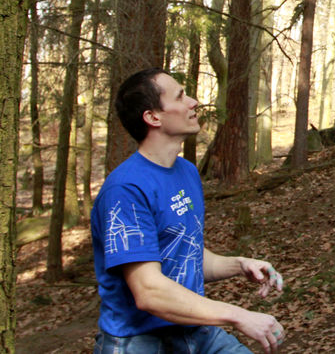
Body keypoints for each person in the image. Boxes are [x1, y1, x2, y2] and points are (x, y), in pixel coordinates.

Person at [91, 68, 287, 354]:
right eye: (181, 96)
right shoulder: (125, 189)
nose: (193, 102)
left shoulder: (187, 172)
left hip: (195, 332)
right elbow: (149, 291)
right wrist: (238, 315)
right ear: (153, 117)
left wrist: (240, 264)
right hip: (139, 342)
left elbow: (185, 253)